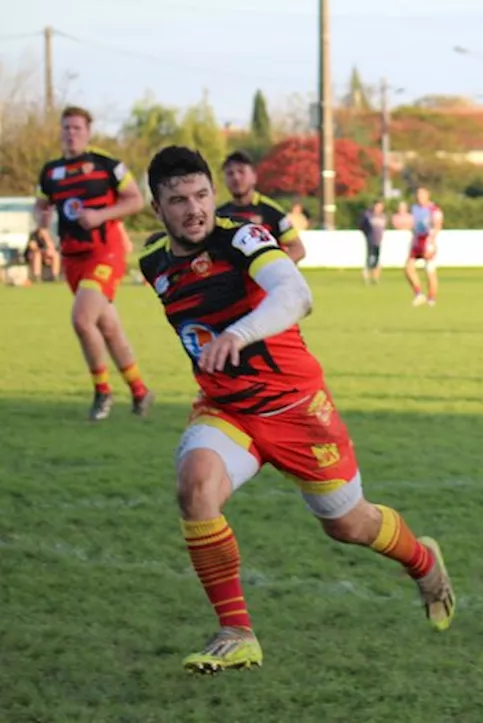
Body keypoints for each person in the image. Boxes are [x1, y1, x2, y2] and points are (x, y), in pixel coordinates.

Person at [137, 145, 455, 673]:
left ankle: (423, 562)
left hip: (297, 408)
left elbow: (296, 293)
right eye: (178, 200)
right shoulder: (153, 264)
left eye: (201, 195)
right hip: (228, 410)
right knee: (196, 485)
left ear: (213, 194)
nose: (193, 209)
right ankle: (236, 633)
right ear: (157, 208)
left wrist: (238, 333)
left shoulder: (242, 236)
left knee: (348, 525)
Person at [36, 106, 153, 422]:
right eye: (66, 128)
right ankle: (140, 390)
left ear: (88, 132)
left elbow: (135, 199)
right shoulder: (50, 172)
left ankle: (102, 392)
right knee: (108, 327)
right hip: (73, 257)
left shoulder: (106, 164)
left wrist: (101, 215)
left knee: (82, 319)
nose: (70, 133)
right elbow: (41, 205)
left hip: (106, 252)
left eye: (76, 127)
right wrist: (42, 218)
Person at [216, 151, 306, 264]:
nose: (236, 177)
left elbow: (298, 249)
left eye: (241, 172)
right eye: (230, 173)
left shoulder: (271, 210)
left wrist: (276, 269)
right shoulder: (220, 214)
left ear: (254, 177)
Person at [406, 187, 442, 307]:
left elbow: (437, 225)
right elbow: (414, 225)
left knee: (429, 271)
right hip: (417, 239)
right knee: (408, 268)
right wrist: (413, 238)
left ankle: (431, 298)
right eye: (418, 195)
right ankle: (419, 294)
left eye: (422, 195)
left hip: (427, 240)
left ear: (428, 196)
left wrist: (431, 242)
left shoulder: (434, 209)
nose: (419, 197)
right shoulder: (415, 208)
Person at [25, 206, 61, 283]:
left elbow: (53, 248)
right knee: (37, 254)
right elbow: (32, 246)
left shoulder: (51, 234)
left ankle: (55, 276)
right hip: (34, 254)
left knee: (55, 255)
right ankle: (37, 277)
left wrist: (46, 237)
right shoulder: (34, 234)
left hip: (46, 254)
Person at [360, 199, 387, 285]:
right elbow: (362, 226)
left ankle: (375, 278)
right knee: (370, 259)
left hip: (379, 240)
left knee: (377, 259)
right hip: (371, 240)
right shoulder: (368, 216)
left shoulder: (383, 216)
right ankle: (366, 276)